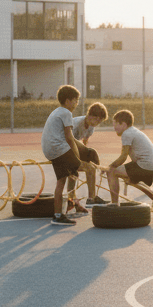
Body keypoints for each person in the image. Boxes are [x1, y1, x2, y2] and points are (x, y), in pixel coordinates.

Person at [42, 85, 91, 226]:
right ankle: (92, 199)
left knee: (62, 181)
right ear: (68, 101)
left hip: (50, 150)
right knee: (87, 168)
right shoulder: (66, 113)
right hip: (58, 148)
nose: (77, 104)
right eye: (75, 101)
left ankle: (58, 215)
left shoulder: (56, 111)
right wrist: (76, 157)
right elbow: (69, 137)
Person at [105, 109, 153, 205]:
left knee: (112, 172)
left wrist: (109, 167)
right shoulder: (133, 131)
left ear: (123, 124)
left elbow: (123, 157)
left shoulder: (126, 133)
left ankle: (114, 203)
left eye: (115, 124)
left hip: (145, 166)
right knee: (127, 177)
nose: (114, 127)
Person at [69, 103, 109, 208]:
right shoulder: (76, 124)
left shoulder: (91, 127)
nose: (98, 123)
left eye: (100, 122)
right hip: (64, 149)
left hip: (75, 147)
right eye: (98, 120)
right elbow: (67, 143)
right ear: (91, 116)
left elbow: (85, 142)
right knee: (74, 171)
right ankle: (71, 197)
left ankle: (92, 198)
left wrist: (88, 159)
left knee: (92, 158)